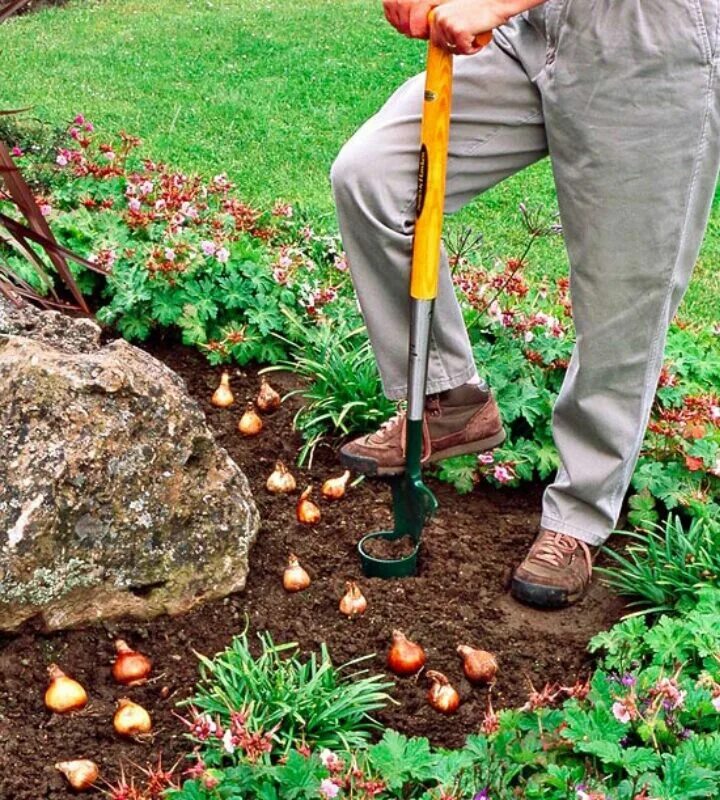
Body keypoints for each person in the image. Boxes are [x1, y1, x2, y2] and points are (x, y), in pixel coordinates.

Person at [330, 0, 720, 608]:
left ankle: (579, 514)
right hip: (538, 27)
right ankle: (449, 397)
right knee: (374, 177)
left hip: (647, 46)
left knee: (624, 295)